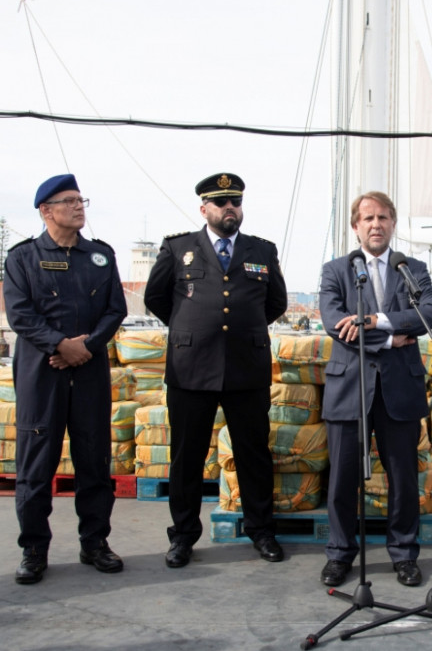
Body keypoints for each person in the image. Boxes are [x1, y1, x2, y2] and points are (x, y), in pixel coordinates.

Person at [144, 172, 287, 568]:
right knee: (186, 457)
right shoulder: (178, 248)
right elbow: (155, 297)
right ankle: (183, 536)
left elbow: (275, 303)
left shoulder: (262, 249)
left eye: (236, 202)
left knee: (253, 455)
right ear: (204, 208)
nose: (230, 209)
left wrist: (243, 328)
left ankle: (261, 531)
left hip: (246, 367)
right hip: (192, 368)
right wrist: (191, 325)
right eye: (221, 202)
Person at [3, 173, 128, 584]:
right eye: (69, 201)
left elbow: (115, 311)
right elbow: (21, 316)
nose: (79, 207)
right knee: (36, 467)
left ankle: (95, 543)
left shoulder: (100, 256)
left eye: (81, 200)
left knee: (94, 462)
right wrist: (60, 346)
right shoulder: (22, 258)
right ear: (46, 210)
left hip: (90, 371)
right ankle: (34, 549)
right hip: (42, 374)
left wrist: (86, 347)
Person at [318, 191, 432, 588]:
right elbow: (335, 323)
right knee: (342, 479)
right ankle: (339, 554)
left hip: (399, 390)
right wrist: (389, 339)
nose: (376, 224)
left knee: (403, 477)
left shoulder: (412, 268)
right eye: (368, 218)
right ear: (355, 226)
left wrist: (375, 319)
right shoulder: (337, 270)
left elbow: (428, 314)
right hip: (349, 387)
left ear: (393, 223)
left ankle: (404, 554)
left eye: (384, 217)